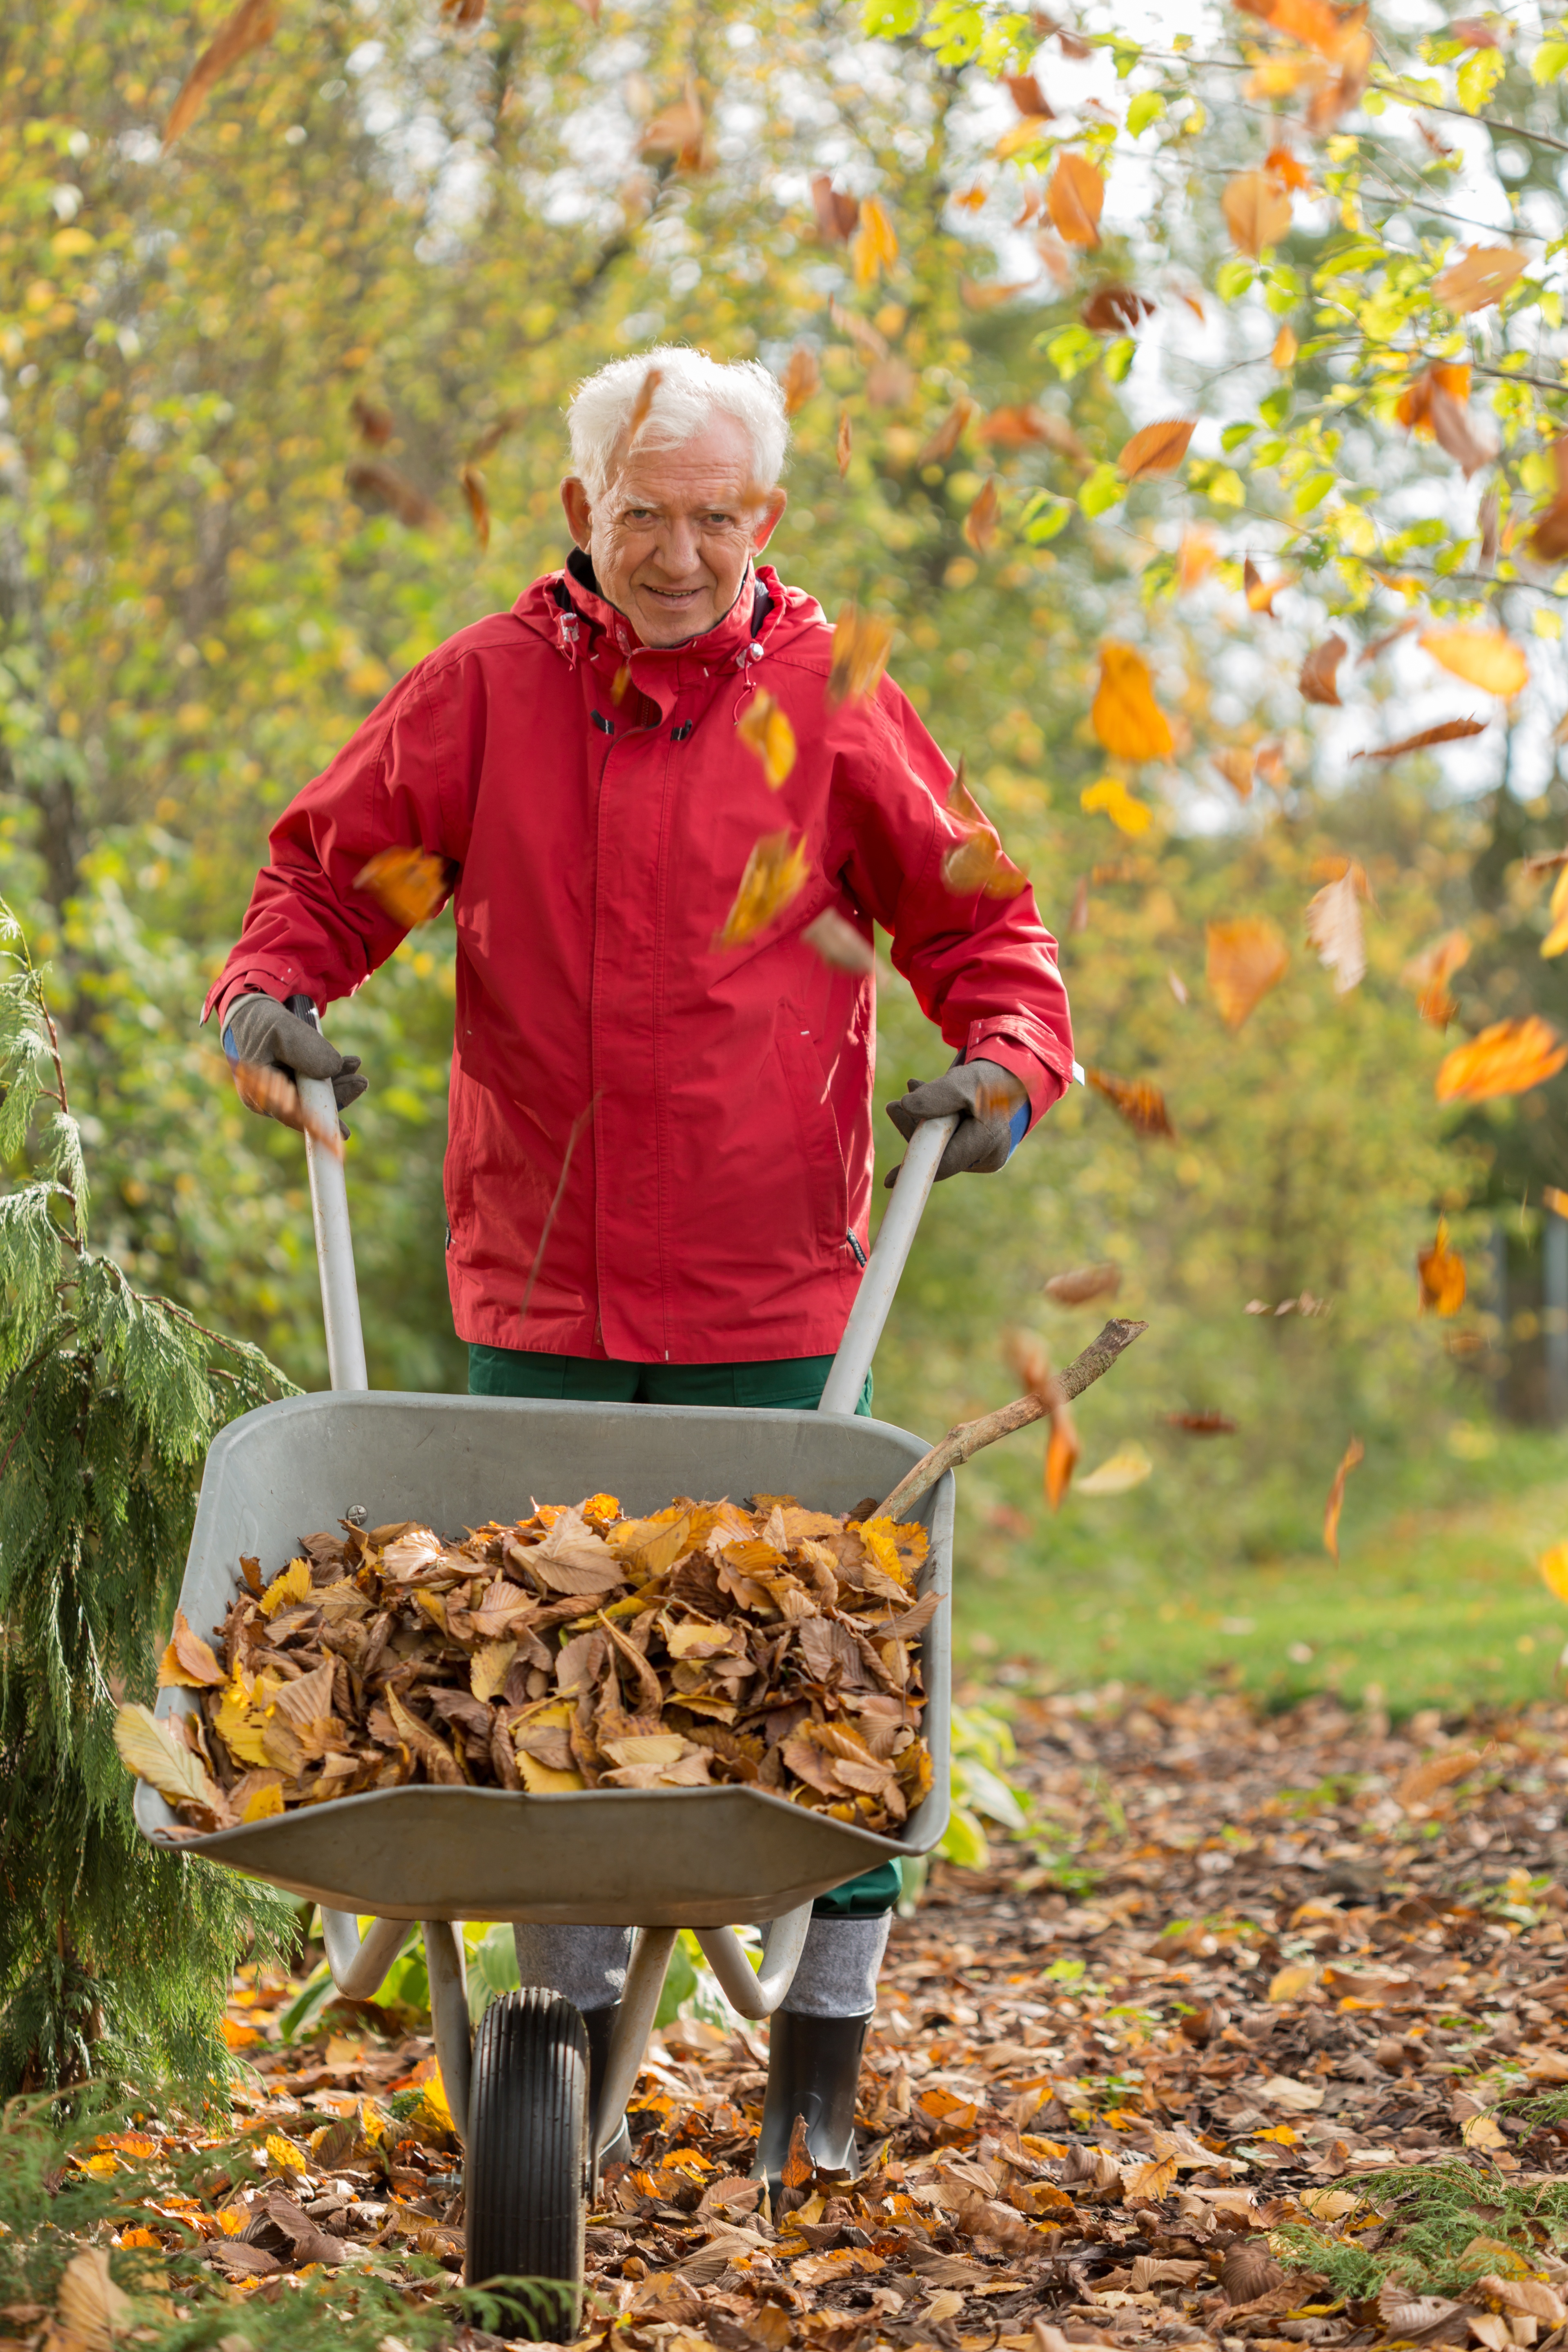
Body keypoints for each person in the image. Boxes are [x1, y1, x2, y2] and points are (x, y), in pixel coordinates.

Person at [208, 346, 1074, 2190]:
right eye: (644, 513)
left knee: (823, 1670)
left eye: (717, 516)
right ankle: (569, 2035)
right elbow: (334, 877)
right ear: (579, 512)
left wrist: (1004, 1061)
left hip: (774, 1278)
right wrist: (273, 996)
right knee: (534, 1656)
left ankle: (820, 2050)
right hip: (536, 1269)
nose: (680, 552)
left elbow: (978, 915)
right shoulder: (490, 690)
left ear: (767, 519)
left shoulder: (835, 704)